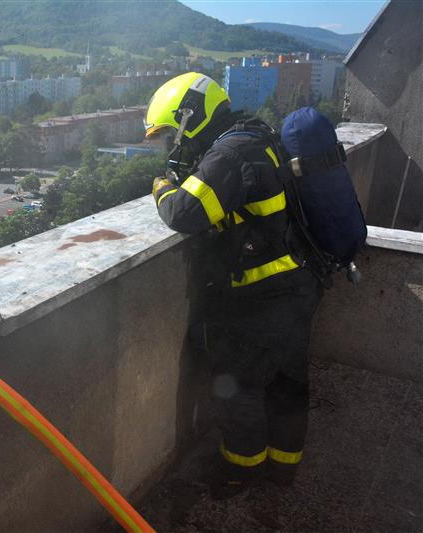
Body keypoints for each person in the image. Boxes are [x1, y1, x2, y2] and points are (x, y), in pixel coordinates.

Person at [144, 72, 324, 498]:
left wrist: (161, 187)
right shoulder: (253, 137)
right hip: (299, 286)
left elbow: (185, 212)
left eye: (172, 133)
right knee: (287, 384)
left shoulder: (230, 153)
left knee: (238, 388)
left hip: (265, 297)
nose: (173, 145)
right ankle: (283, 470)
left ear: (191, 118)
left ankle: (239, 471)